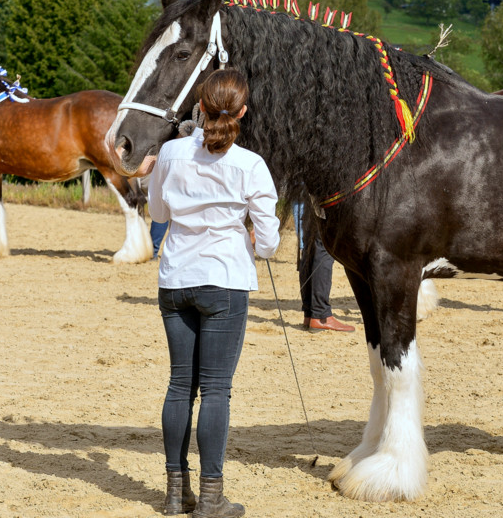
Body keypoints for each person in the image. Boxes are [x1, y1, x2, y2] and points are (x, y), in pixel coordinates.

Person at [148, 69, 280, 518]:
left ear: (198, 108)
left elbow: (158, 211)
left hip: (176, 278)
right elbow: (269, 242)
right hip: (224, 278)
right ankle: (210, 497)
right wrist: (251, 241)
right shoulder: (251, 164)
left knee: (179, 385)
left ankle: (173, 492)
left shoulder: (169, 152)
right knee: (217, 391)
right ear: (243, 112)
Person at [293, 200, 355, 332]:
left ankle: (310, 313)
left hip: (308, 193)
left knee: (310, 244)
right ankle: (321, 315)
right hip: (322, 193)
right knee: (324, 246)